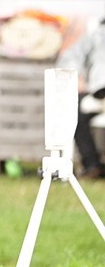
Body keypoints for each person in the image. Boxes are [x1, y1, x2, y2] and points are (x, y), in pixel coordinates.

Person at [56, 20, 105, 179]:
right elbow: (70, 58)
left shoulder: (96, 35)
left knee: (76, 114)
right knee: (75, 114)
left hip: (98, 93)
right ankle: (92, 165)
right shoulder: (96, 36)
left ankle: (92, 164)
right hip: (98, 94)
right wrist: (78, 77)